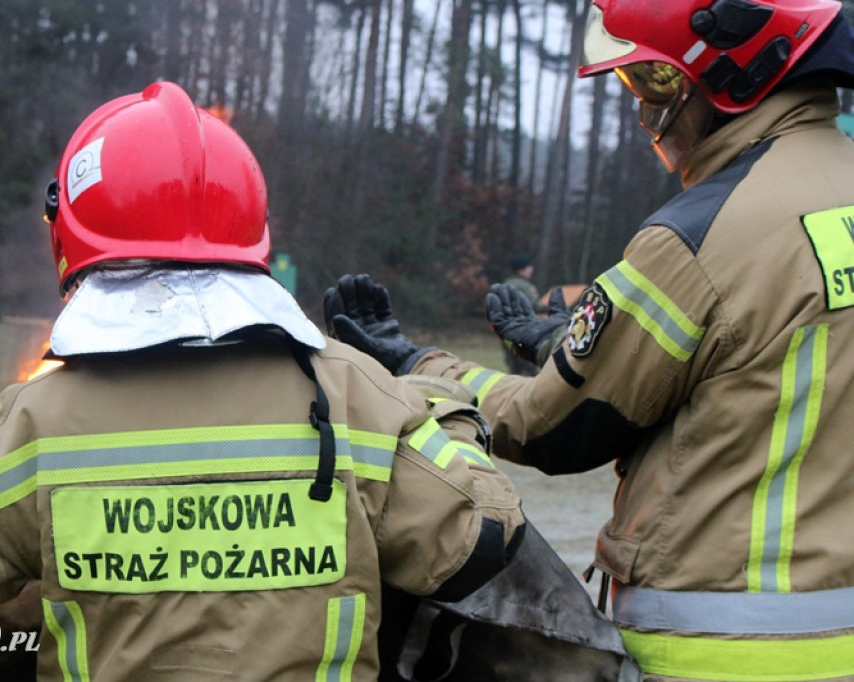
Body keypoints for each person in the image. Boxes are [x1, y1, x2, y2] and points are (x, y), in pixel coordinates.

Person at [0, 82, 525, 682]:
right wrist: (432, 395)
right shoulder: (355, 397)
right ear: (253, 233)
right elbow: (479, 539)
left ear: (69, 233)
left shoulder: (29, 426)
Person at [324, 0, 854, 679]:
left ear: (739, 79)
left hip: (718, 644)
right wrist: (563, 342)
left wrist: (411, 360)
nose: (645, 114)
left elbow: (552, 428)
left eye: (652, 84)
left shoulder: (699, 235)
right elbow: (758, 364)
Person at [500, 253, 547, 376]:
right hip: (523, 331)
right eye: (528, 267)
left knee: (514, 370)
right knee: (529, 370)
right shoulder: (524, 286)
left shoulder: (505, 284)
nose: (531, 269)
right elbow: (535, 305)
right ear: (522, 269)